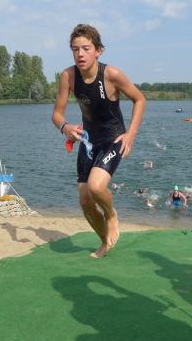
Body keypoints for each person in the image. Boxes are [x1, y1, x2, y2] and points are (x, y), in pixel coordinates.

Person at [52, 24, 146, 258]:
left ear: (98, 51)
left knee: (95, 187)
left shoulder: (111, 75)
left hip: (113, 139)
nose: (80, 54)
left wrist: (131, 134)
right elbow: (57, 114)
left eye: (86, 48)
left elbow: (139, 99)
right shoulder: (68, 76)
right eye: (75, 49)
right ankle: (104, 241)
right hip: (89, 142)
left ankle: (111, 214)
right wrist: (65, 127)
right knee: (85, 201)